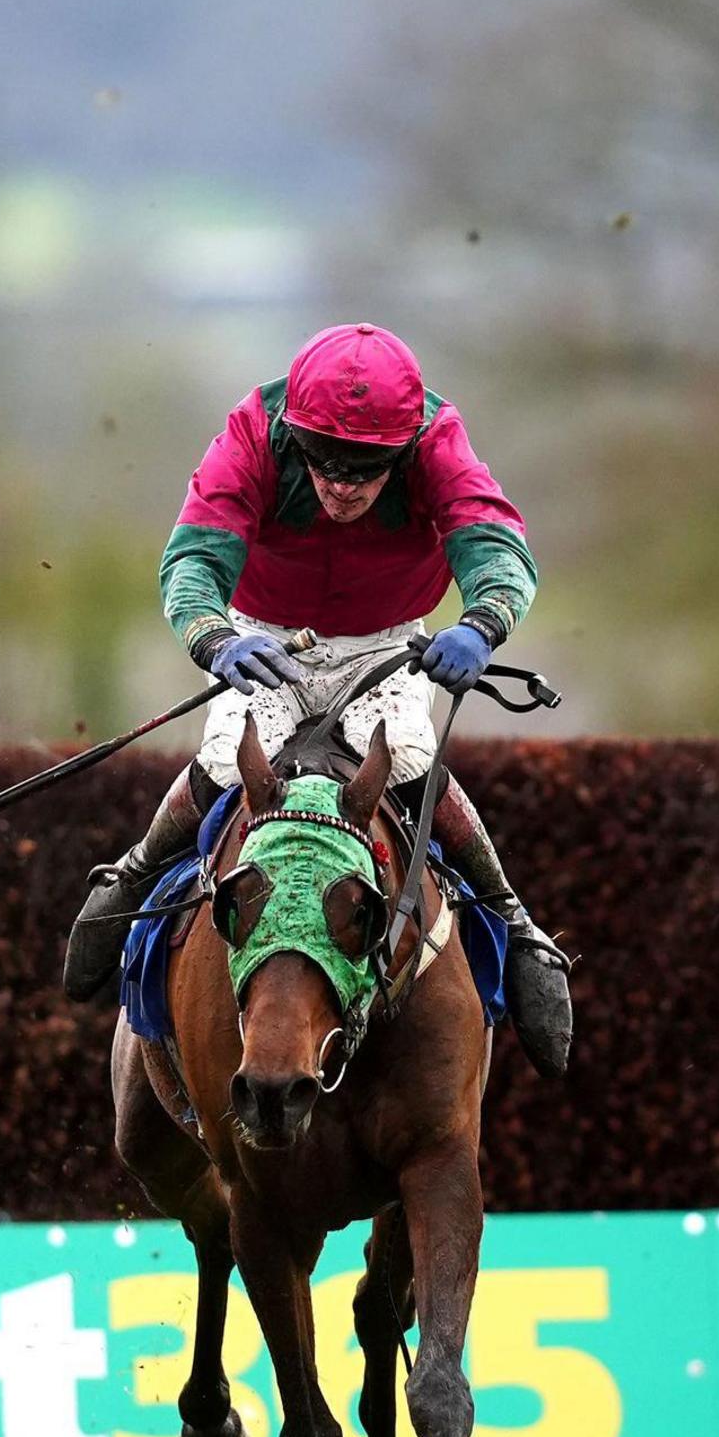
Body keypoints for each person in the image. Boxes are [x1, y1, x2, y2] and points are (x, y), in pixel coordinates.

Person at [63, 322, 574, 1077]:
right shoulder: (251, 431)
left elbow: (495, 541)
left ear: (403, 448)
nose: (342, 484)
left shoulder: (438, 438)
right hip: (263, 636)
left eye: (367, 467)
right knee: (229, 761)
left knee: (406, 762)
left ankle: (512, 918)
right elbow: (193, 559)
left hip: (387, 641)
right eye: (325, 462)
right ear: (293, 433)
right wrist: (216, 639)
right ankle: (136, 872)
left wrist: (482, 622)